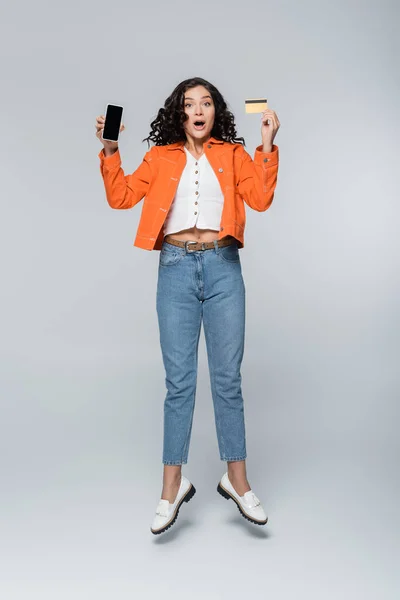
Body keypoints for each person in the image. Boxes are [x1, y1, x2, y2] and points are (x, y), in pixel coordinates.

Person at [96, 77, 280, 535]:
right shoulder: (160, 157)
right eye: (188, 104)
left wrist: (266, 145)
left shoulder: (233, 154)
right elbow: (120, 197)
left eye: (206, 103)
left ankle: (237, 482)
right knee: (178, 383)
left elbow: (260, 199)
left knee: (227, 380)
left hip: (223, 268)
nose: (198, 110)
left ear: (215, 111)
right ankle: (170, 489)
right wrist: (110, 150)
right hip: (175, 270)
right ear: (178, 113)